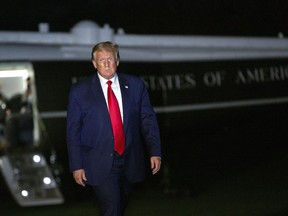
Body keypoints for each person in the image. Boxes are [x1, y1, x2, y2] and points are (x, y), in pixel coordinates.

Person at [67, 41, 162, 216]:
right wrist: (76, 165)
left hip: (130, 159)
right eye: (101, 60)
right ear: (94, 64)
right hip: (98, 161)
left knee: (119, 206)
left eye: (110, 59)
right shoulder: (80, 91)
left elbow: (147, 119)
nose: (106, 63)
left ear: (117, 60)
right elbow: (73, 130)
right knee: (112, 207)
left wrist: (155, 151)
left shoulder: (135, 86)